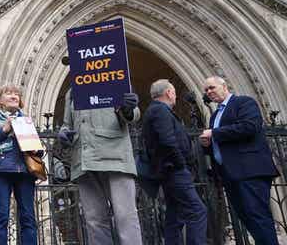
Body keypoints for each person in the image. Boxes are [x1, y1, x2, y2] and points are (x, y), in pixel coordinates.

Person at [199, 76, 279, 244]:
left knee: (258, 215)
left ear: (224, 86)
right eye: (206, 90)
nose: (208, 92)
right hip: (230, 174)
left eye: (211, 88)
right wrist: (207, 143)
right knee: (247, 217)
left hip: (249, 170)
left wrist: (214, 133)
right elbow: (219, 142)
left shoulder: (244, 103)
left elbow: (250, 127)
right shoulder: (214, 117)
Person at [58, 86, 142, 244]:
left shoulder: (113, 77)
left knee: (125, 217)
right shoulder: (72, 92)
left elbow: (133, 114)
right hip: (84, 161)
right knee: (94, 221)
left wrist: (128, 108)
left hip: (115, 157)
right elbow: (67, 124)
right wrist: (63, 133)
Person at [142, 79, 207, 244]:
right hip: (174, 171)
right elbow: (167, 141)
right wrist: (181, 165)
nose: (176, 97)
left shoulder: (157, 111)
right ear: (169, 93)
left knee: (175, 216)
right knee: (197, 211)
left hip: (170, 170)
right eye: (174, 93)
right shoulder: (159, 111)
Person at [0, 85, 38, 245]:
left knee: (28, 218)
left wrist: (33, 145)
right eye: (9, 93)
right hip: (0, 172)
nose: (14, 96)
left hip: (24, 172)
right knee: (0, 218)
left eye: (17, 94)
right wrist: (4, 130)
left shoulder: (25, 120)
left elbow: (38, 152)